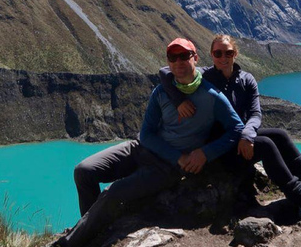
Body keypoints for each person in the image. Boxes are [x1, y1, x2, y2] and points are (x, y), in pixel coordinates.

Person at [57, 38, 243, 247]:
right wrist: (179, 156)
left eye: (184, 56)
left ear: (196, 58)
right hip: (141, 149)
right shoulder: (162, 92)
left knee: (113, 193)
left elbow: (236, 128)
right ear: (168, 62)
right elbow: (146, 134)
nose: (178, 62)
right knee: (83, 171)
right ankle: (92, 232)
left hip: (167, 168)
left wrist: (205, 153)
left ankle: (69, 243)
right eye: (173, 57)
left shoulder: (212, 96)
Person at [159, 34, 301, 228]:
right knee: (267, 145)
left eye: (228, 52)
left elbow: (255, 113)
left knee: (280, 135)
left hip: (240, 139)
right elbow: (164, 71)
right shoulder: (204, 77)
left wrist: (247, 135)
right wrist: (179, 100)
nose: (223, 57)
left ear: (235, 54)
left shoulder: (246, 79)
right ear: (211, 55)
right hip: (218, 149)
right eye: (218, 53)